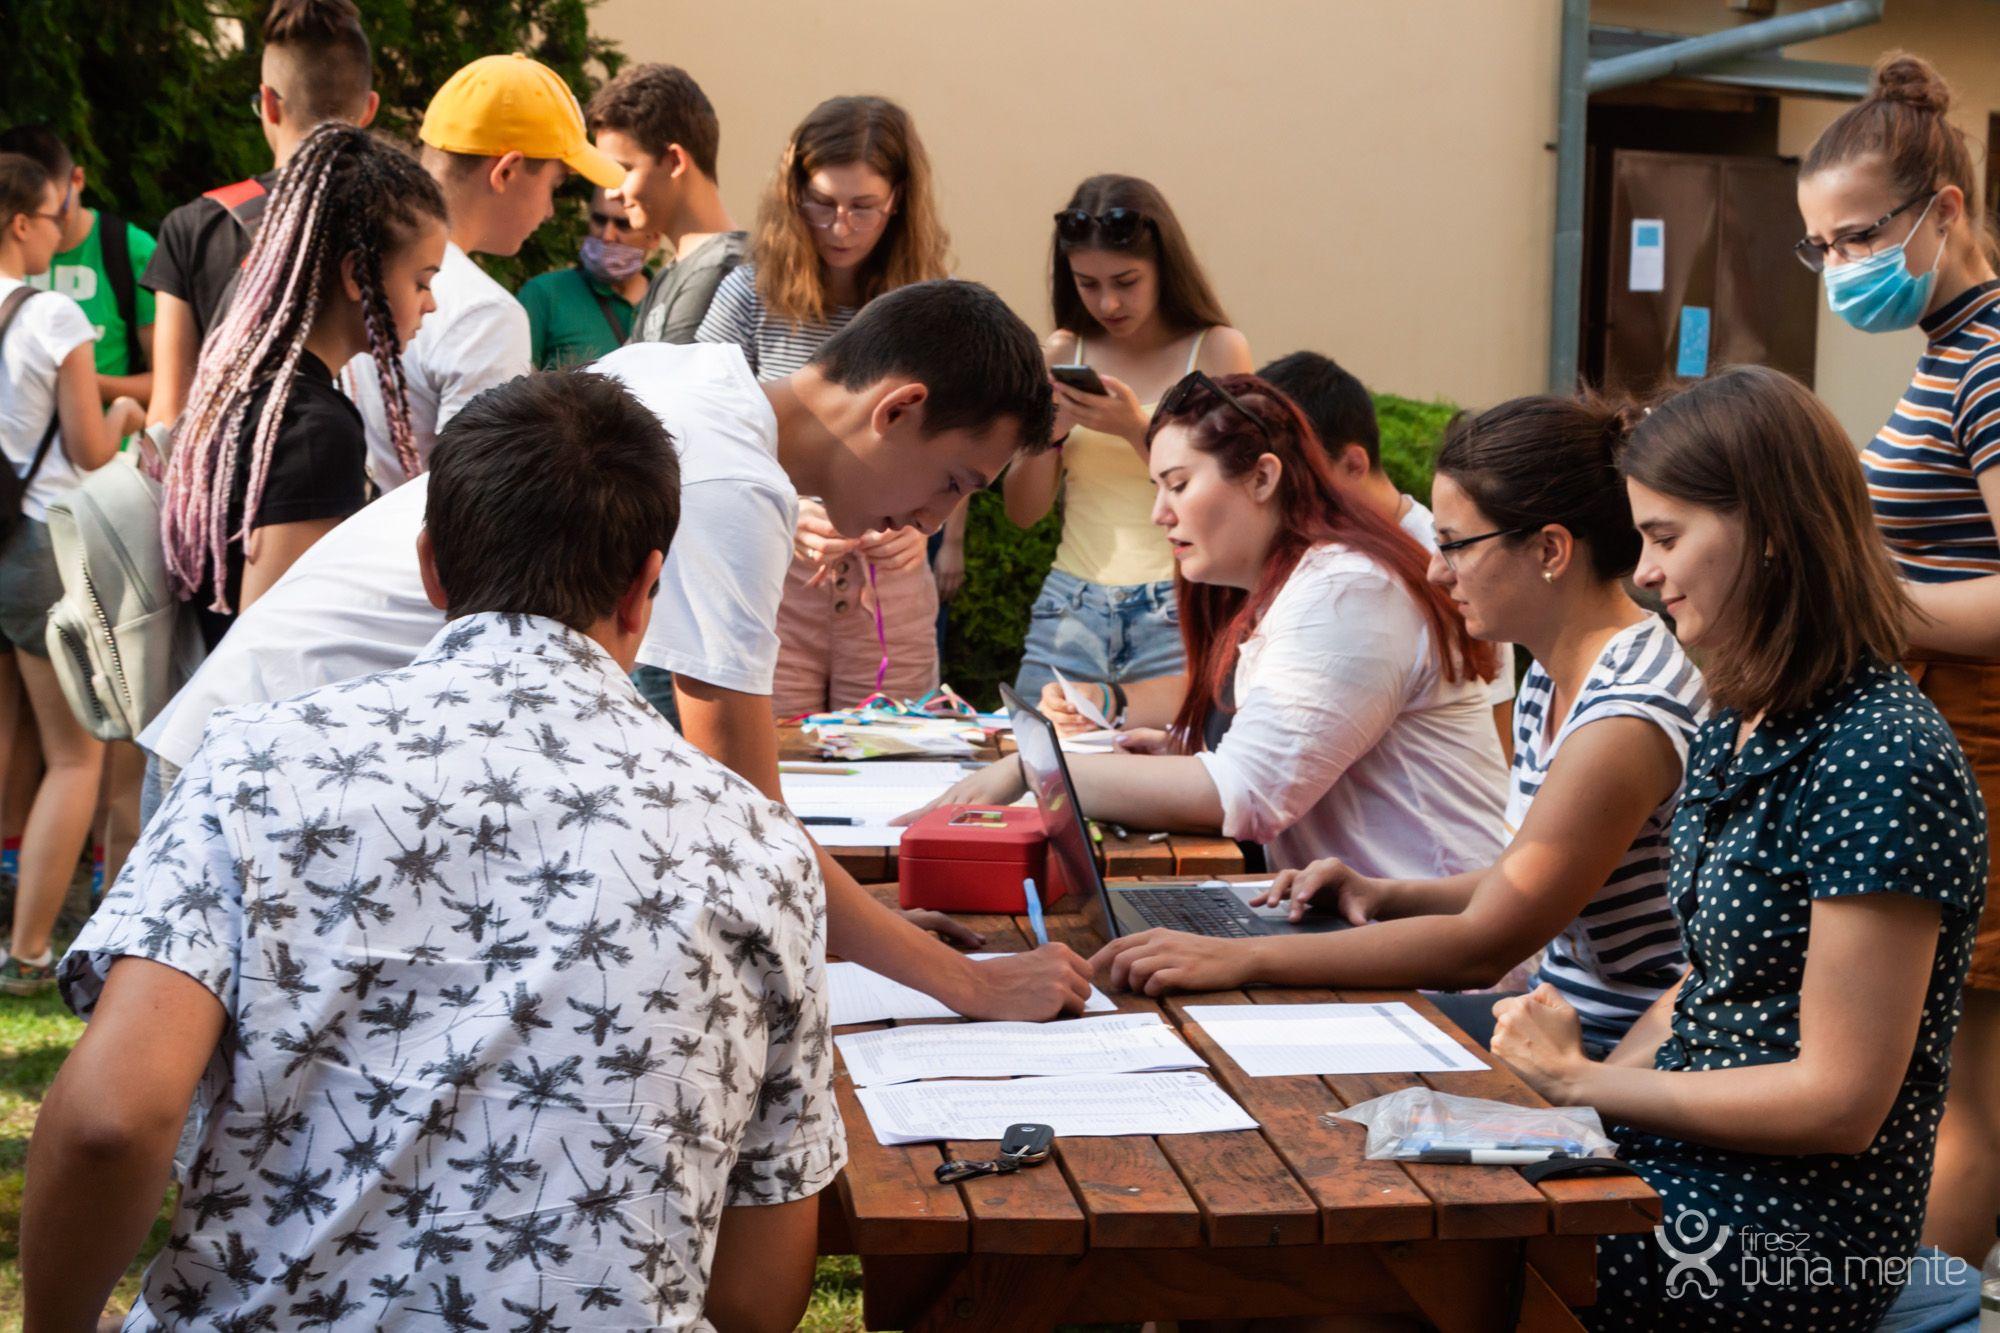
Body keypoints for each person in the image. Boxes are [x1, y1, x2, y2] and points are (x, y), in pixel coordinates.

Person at [26, 369, 840, 1331]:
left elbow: (111, 1120)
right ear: (643, 589)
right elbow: (754, 1290)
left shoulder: (253, 766)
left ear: (431, 567)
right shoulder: (757, 842)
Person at [138, 279, 1092, 1023]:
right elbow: (747, 818)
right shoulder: (732, 481)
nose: (932, 519)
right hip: (281, 785)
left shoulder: (701, 381)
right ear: (897, 409)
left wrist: (865, 931)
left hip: (265, 755)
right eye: (954, 482)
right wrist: (968, 984)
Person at [1490, 365, 1987, 1331]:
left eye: (1666, 536)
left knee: (1436, 1260)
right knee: (1376, 1247)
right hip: (1684, 1166)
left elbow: (1840, 1100)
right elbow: (1709, 981)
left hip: (1801, 1237)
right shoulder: (1742, 714)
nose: (1643, 572)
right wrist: (1574, 1109)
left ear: (1771, 532)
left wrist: (1583, 1082)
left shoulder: (1884, 755)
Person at [1096, 394, 1704, 1056]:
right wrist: (1384, 894)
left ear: (1550, 550)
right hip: (1553, 1021)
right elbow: (1522, 878)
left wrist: (1242, 957)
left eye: (1455, 545)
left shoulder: (1621, 716)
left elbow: (1483, 946)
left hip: (1608, 1052)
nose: (1437, 570)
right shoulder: (1563, 671)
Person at [912, 372, 1507, 878]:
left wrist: (1035, 771)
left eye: (1178, 485)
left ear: (1263, 478)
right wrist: (1183, 752)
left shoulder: (1347, 592)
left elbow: (1247, 792)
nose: (1159, 514)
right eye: (1156, 488)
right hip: (1360, 929)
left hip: (1429, 951)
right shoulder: (1296, 584)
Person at [1796, 50, 2000, 1266]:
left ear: (1945, 210)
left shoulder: (1991, 359)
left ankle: (1920, 1306)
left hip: (1980, 735)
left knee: (1967, 1096)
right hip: (1943, 730)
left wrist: (1866, 599)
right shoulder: (1951, 348)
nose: (1840, 267)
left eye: (1860, 236)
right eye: (1820, 247)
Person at [1040, 351, 1520, 753]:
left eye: (1301, 467)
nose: (1279, 489)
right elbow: (1235, 697)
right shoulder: (1292, 565)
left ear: (1352, 464)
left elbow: (1492, 746)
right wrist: (1116, 707)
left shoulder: (1366, 580)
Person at [697, 96, 955, 718]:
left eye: (864, 207)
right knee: (775, 759)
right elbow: (701, 426)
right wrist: (785, 510)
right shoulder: (750, 292)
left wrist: (924, 524)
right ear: (792, 195)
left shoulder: (930, 304)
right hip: (774, 573)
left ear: (898, 200)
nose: (841, 227)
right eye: (822, 203)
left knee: (894, 760)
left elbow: (958, 439)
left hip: (888, 579)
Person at [162, 124, 447, 651]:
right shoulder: (313, 430)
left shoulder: (256, 388)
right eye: (422, 281)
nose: (431, 303)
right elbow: (269, 647)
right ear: (358, 277)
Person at [1004, 176, 1253, 705]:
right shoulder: (1063, 351)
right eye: (1087, 284)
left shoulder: (1217, 351)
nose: (1108, 302)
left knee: (1178, 754)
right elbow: (1023, 512)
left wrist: (1135, 430)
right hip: (1069, 606)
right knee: (1037, 752)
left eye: (1126, 281)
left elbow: (1236, 496)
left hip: (1179, 607)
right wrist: (1047, 435)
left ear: (1164, 267)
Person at [346, 53, 624, 492]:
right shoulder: (485, 315)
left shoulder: (358, 264)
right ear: (506, 171)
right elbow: (479, 504)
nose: (550, 211)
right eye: (554, 185)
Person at [0, 154, 145, 995]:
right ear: (22, 222)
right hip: (39, 545)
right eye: (55, 216)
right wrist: (125, 411)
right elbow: (91, 449)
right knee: (74, 758)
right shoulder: (52, 312)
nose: (63, 230)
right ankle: (26, 953)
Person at [142, 0, 379, 431]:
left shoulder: (196, 225)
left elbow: (169, 412)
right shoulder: (399, 220)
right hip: (357, 458)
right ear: (369, 109)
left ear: (268, 103)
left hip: (233, 467)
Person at [588, 62, 744, 346]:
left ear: (674, 161)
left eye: (622, 170)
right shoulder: (674, 271)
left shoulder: (723, 270)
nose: (610, 193)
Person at [0, 124, 154, 408]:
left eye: (57, 211)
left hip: (104, 434)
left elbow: (170, 381)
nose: (51, 230)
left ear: (78, 179)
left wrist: (76, 381)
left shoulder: (131, 249)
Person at [517, 186, 654, 369]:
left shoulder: (671, 300)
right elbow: (511, 378)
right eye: (599, 220)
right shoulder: (544, 293)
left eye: (623, 224)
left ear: (654, 237)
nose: (607, 236)